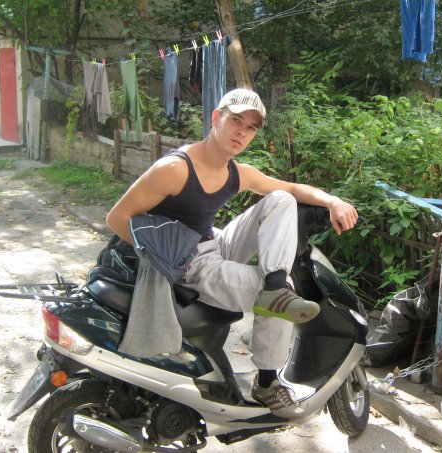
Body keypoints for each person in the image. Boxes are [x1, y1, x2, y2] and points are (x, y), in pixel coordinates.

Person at [106, 88, 358, 417]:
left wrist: (333, 201)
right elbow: (117, 218)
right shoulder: (176, 169)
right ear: (216, 118)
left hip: (214, 243)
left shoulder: (236, 173)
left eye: (251, 128)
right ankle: (267, 381)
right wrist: (162, 258)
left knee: (281, 200)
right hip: (188, 261)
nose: (242, 132)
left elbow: (292, 189)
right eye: (236, 120)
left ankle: (274, 283)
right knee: (285, 298)